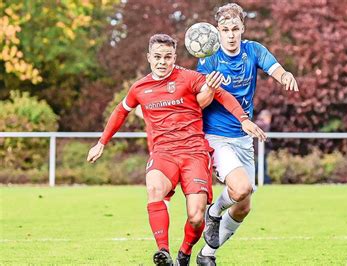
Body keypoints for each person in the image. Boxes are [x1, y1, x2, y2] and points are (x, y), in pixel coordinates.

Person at [86, 33, 266, 266]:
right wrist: (102, 142)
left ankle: (185, 252)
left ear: (174, 57)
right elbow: (121, 112)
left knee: (196, 216)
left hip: (194, 154)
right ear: (149, 57)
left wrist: (243, 119)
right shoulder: (140, 87)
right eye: (158, 57)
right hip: (164, 154)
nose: (163, 62)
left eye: (168, 57)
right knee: (154, 189)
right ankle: (163, 251)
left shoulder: (189, 78)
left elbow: (221, 94)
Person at [195, 3, 299, 265]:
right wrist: (209, 88)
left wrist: (284, 75)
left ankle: (207, 254)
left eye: (235, 29)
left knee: (244, 205)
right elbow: (199, 103)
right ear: (217, 31)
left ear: (242, 29)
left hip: (244, 136)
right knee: (241, 188)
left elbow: (273, 67)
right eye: (224, 29)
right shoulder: (208, 59)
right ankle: (215, 211)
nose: (230, 34)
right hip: (216, 136)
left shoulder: (253, 50)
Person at [255, 109, 273, 184]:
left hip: (256, 151)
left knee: (259, 167)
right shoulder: (264, 125)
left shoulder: (255, 124)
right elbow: (267, 138)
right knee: (261, 167)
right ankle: (267, 182)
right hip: (260, 151)